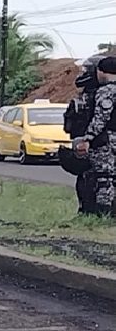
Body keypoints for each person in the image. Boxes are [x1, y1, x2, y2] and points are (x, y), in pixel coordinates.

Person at [62, 55, 103, 214]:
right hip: (84, 144)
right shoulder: (85, 96)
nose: (82, 73)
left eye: (86, 70)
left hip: (100, 146)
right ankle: (86, 210)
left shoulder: (103, 95)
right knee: (85, 178)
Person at [76, 56, 116, 216]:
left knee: (104, 177)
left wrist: (88, 138)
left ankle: (104, 213)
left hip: (108, 140)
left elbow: (101, 117)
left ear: (102, 71)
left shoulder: (106, 91)